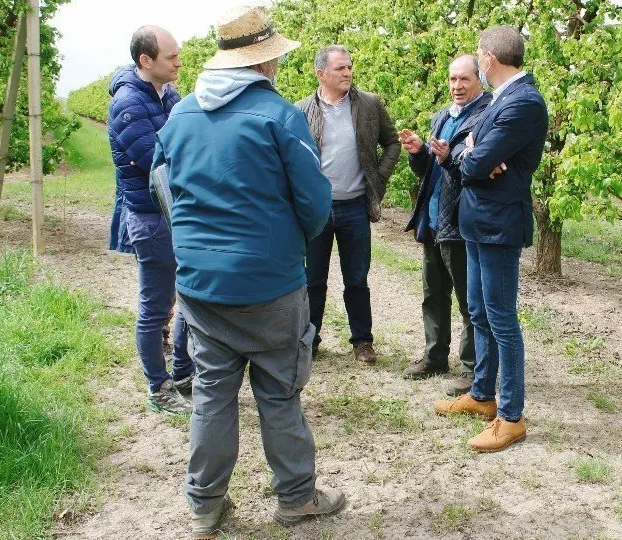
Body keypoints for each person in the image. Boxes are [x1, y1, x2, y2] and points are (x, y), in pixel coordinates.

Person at [152, 6, 346, 537]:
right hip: (268, 284)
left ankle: (205, 506)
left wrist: (193, 243)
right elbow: (314, 204)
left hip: (201, 284)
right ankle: (296, 499)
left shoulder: (181, 115)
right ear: (264, 64)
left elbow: (162, 185)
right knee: (279, 391)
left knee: (213, 392)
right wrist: (284, 246)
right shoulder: (280, 116)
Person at [432, 26, 549, 453]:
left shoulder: (524, 103)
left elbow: (476, 160)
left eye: (477, 58)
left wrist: (475, 155)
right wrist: (472, 153)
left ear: (488, 59)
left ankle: (512, 416)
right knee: (479, 310)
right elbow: (469, 151)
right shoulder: (501, 100)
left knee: (501, 317)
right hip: (477, 221)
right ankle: (482, 395)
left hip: (499, 225)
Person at [296, 45, 402, 364]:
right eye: (340, 68)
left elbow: (393, 143)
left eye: (349, 67)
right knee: (312, 279)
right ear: (321, 74)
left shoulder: (368, 104)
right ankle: (309, 340)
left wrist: (378, 179)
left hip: (354, 206)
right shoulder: (300, 110)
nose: (347, 73)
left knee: (356, 278)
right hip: (317, 209)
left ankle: (362, 341)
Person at [107, 25, 193, 415]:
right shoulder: (128, 103)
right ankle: (158, 389)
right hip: (150, 215)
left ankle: (183, 372)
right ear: (146, 60)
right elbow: (156, 158)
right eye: (170, 56)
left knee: (186, 296)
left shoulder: (167, 95)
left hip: (174, 212)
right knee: (156, 304)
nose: (178, 62)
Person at [399, 55, 490, 396]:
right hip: (433, 220)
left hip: (461, 221)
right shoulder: (442, 116)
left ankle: (471, 371)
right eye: (452, 79)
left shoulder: (485, 117)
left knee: (470, 302)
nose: (457, 86)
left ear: (479, 78)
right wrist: (419, 153)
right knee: (433, 295)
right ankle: (434, 357)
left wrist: (448, 156)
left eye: (464, 79)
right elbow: (430, 172)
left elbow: (476, 171)